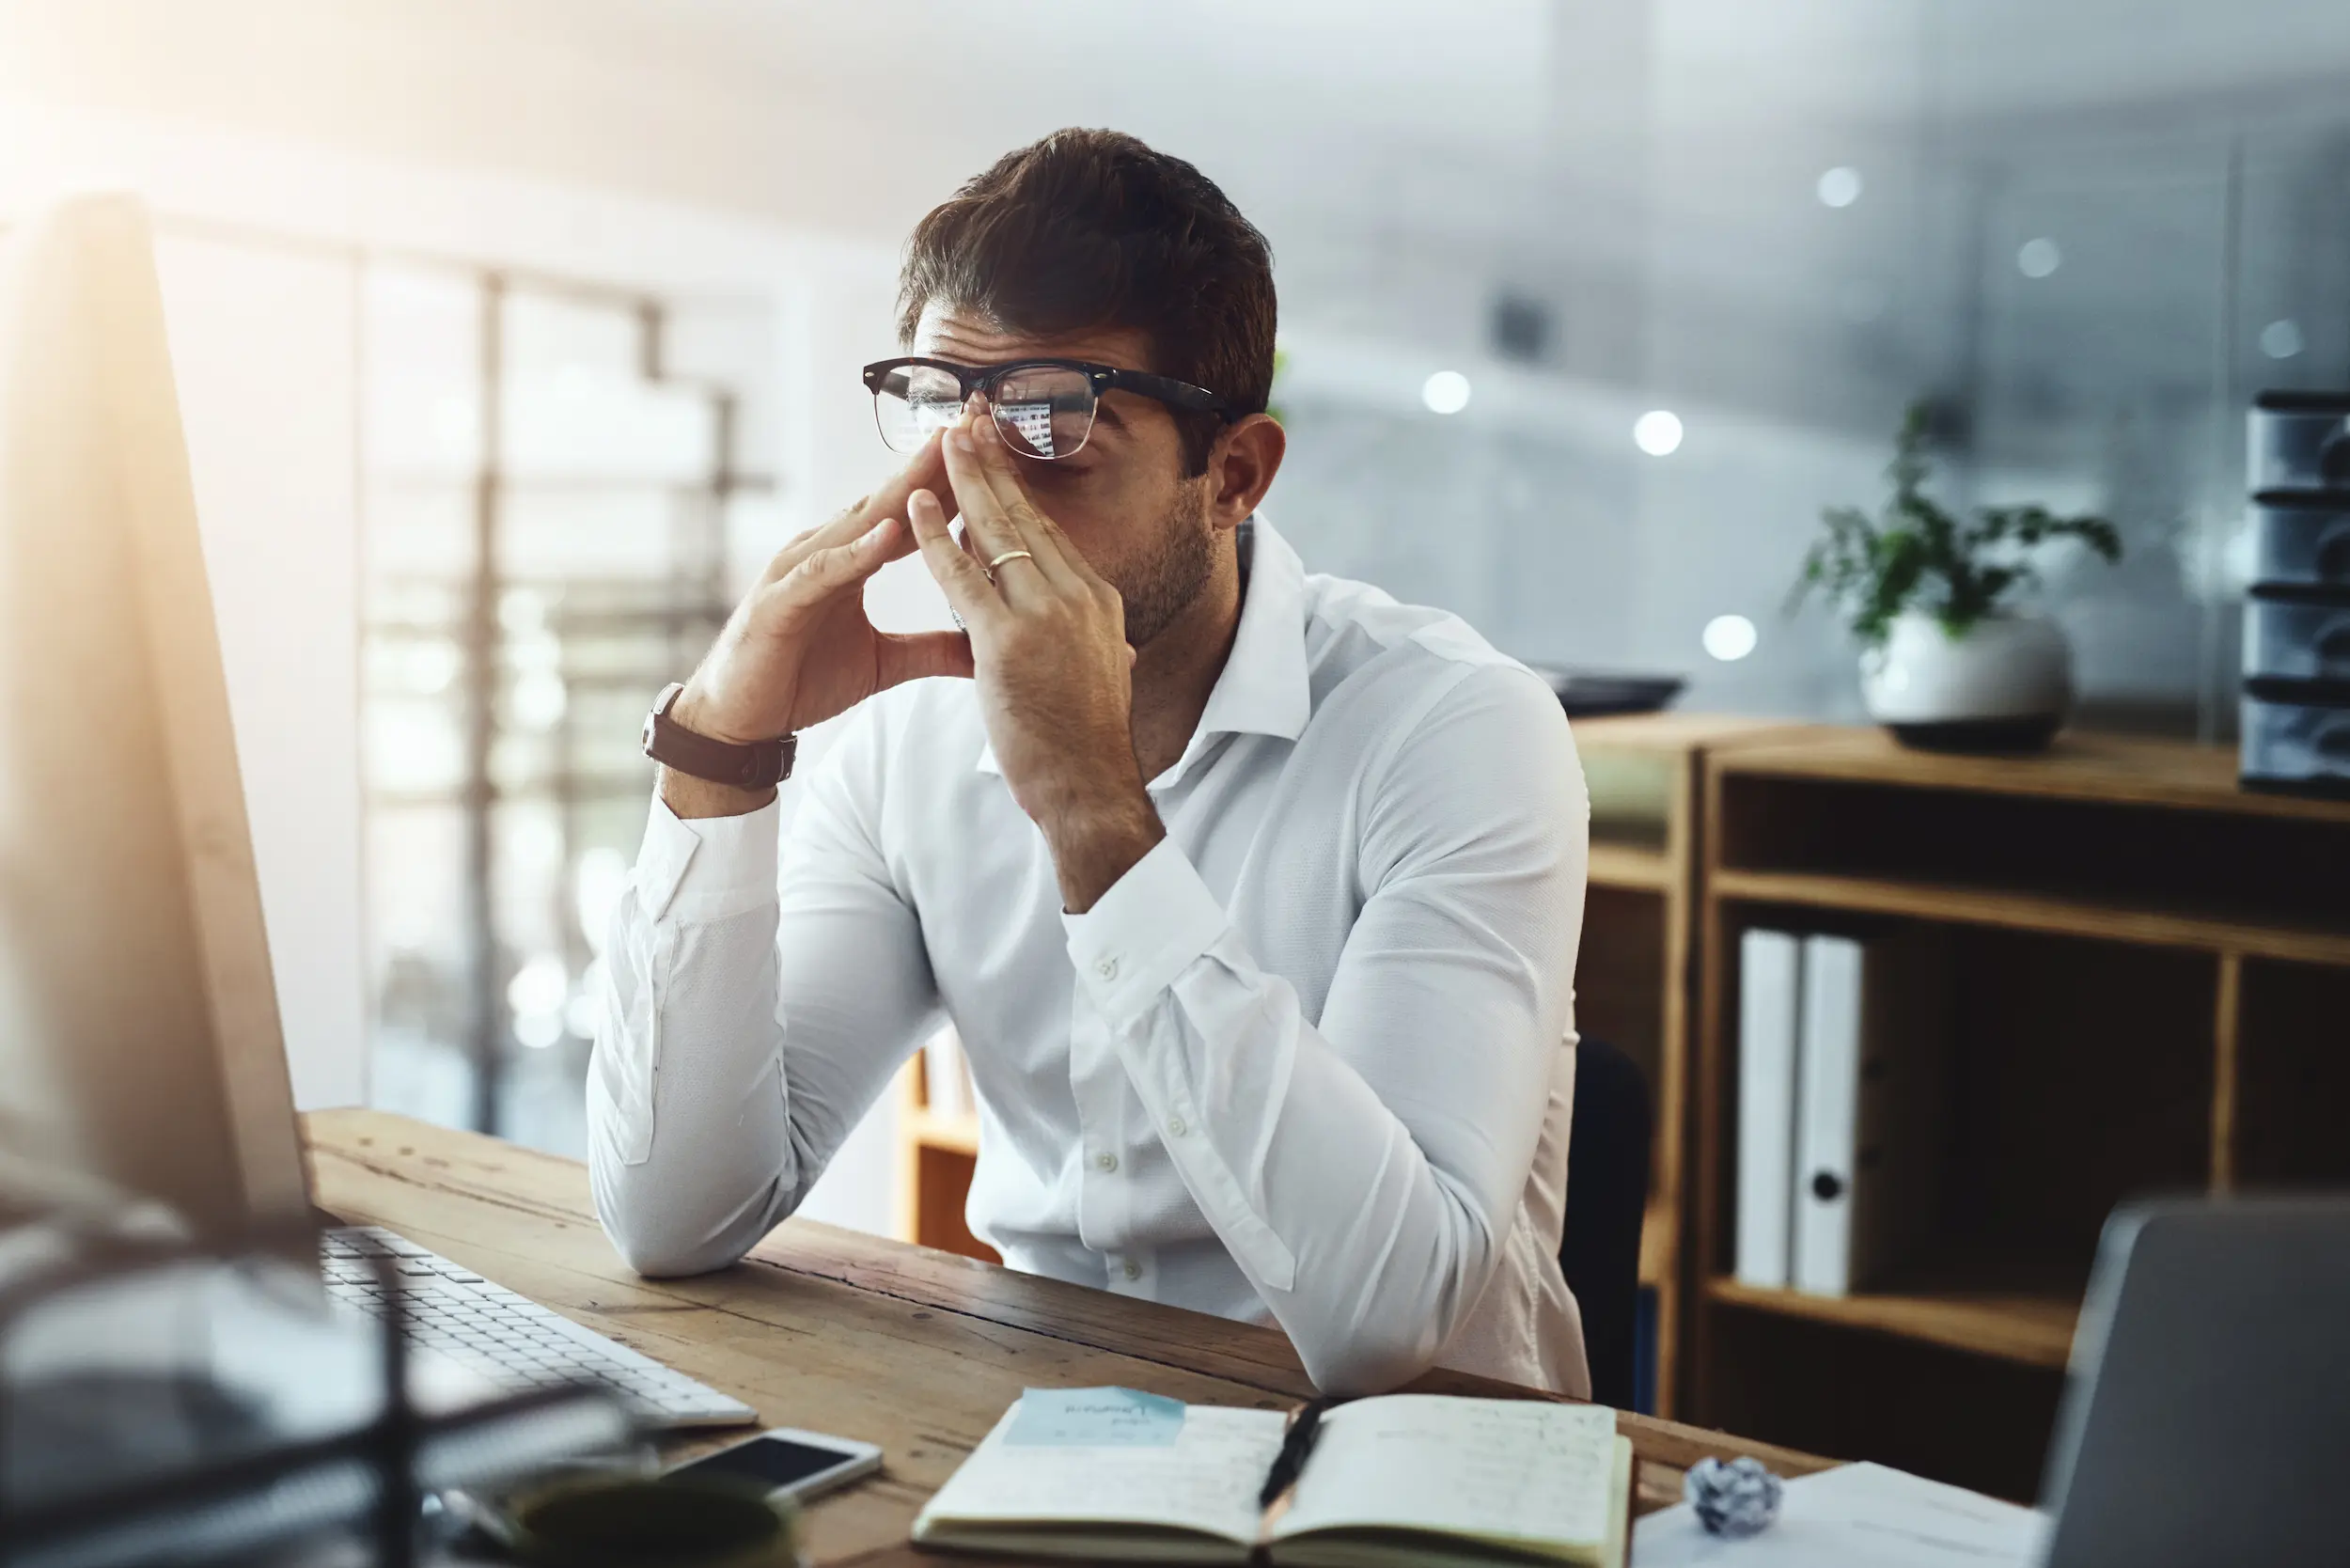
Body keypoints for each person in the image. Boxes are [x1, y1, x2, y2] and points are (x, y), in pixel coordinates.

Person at [588, 128, 1591, 1397]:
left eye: (1056, 423)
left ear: (1232, 475)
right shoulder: (907, 737)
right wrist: (720, 754)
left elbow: (1388, 1323)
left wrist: (1089, 806)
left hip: (1407, 1477)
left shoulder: (1455, 729)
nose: (966, 497)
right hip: (1043, 1438)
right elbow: (677, 1218)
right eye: (945, 411)